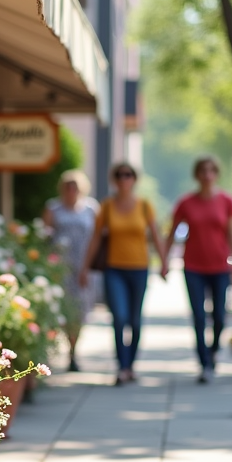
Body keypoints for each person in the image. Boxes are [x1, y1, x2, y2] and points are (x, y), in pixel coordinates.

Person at [80, 162, 168, 386]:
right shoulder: (107, 206)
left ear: (134, 179)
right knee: (119, 318)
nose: (124, 179)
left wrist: (164, 261)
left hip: (139, 268)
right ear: (114, 179)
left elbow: (155, 235)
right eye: (119, 175)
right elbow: (96, 238)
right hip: (114, 268)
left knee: (135, 320)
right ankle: (121, 366)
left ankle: (131, 365)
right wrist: (85, 268)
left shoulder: (144, 205)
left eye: (128, 175)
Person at [163, 155, 232, 383]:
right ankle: (204, 363)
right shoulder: (186, 203)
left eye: (211, 170)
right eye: (203, 170)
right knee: (199, 316)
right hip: (193, 267)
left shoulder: (226, 201)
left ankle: (213, 350)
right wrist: (164, 261)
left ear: (216, 174)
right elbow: (171, 234)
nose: (207, 175)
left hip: (220, 266)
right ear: (197, 175)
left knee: (220, 315)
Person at [43, 169, 99, 371]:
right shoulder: (53, 208)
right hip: (61, 267)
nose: (71, 191)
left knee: (81, 309)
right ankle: (66, 346)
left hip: (84, 266)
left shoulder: (91, 209)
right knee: (63, 309)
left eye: (75, 187)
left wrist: (90, 265)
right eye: (68, 187)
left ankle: (74, 350)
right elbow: (45, 237)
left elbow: (98, 237)